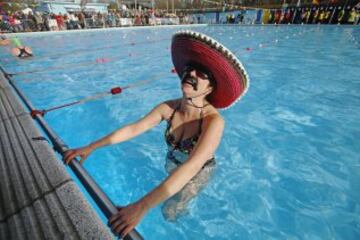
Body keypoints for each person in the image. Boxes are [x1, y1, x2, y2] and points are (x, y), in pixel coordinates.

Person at [63, 30, 250, 238]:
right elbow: (133, 129)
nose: (192, 75)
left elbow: (192, 166)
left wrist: (142, 206)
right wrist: (91, 146)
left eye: (201, 74)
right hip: (173, 163)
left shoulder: (213, 121)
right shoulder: (168, 109)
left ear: (210, 88)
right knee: (167, 191)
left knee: (170, 213)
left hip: (197, 173)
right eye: (190, 69)